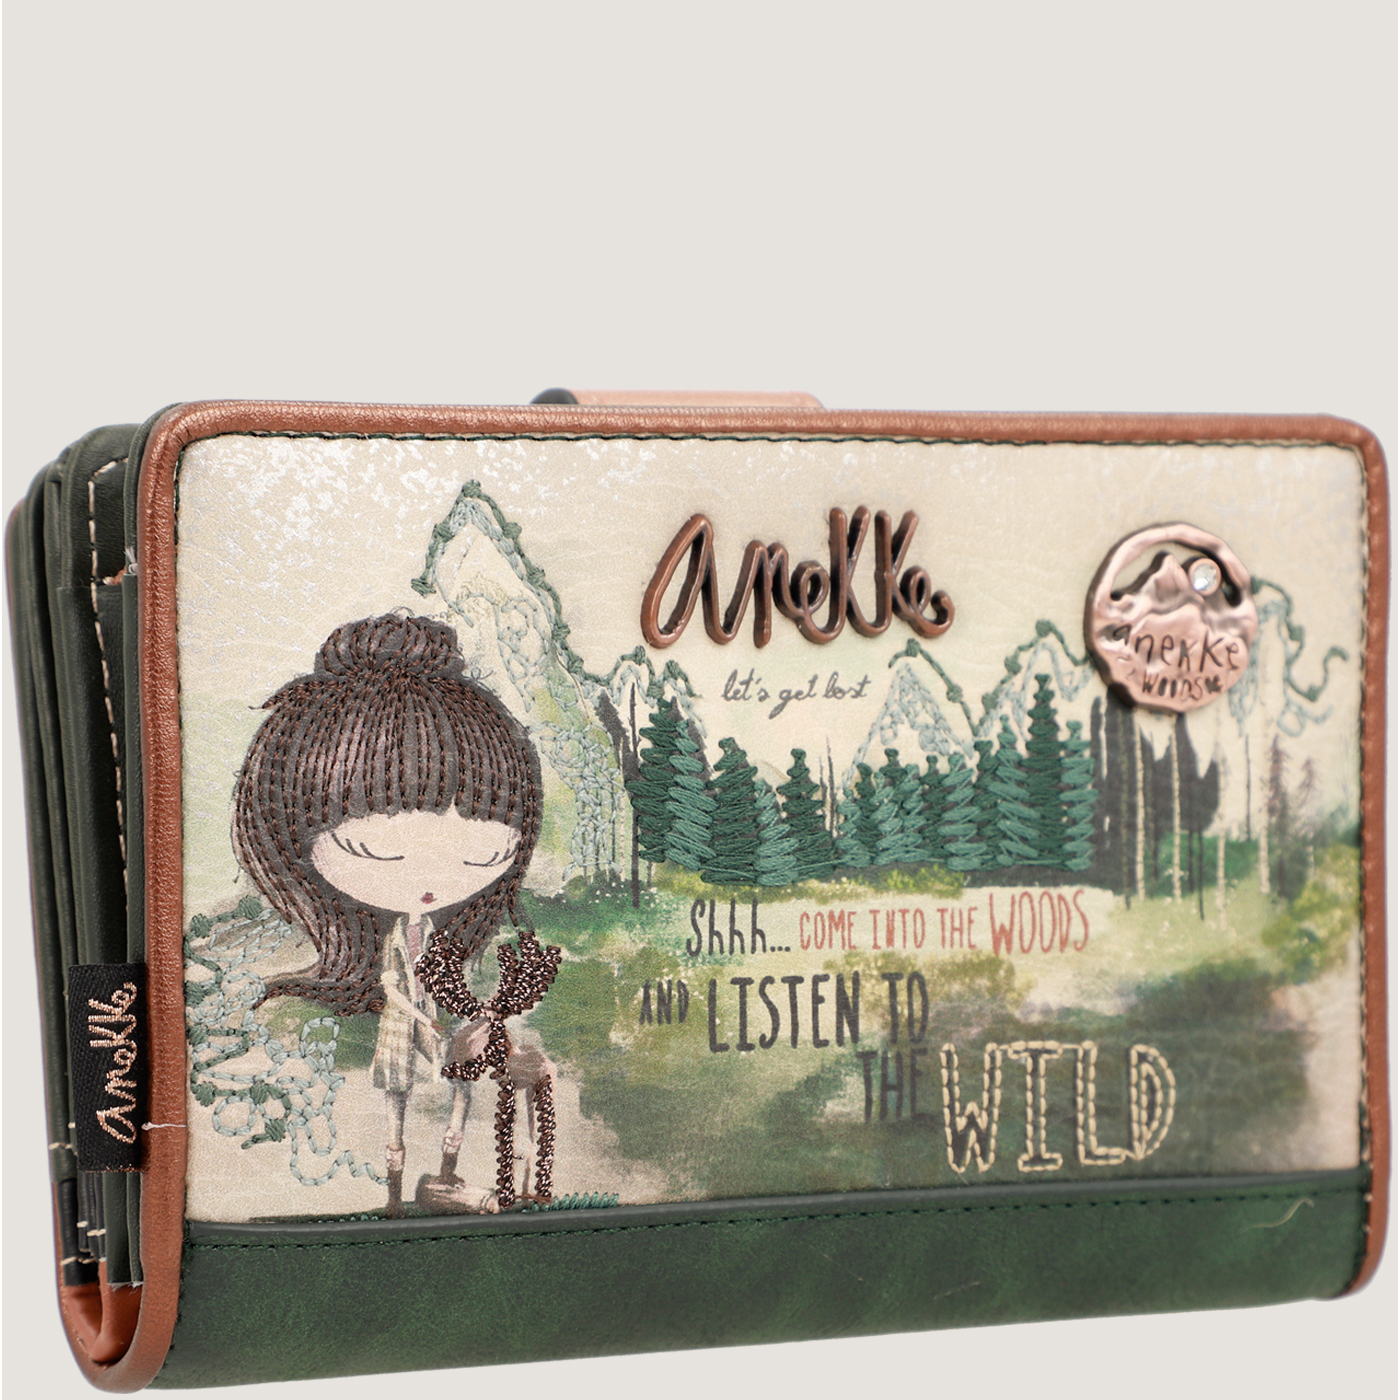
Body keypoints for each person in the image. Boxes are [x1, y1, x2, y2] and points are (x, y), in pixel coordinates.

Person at [231, 611, 559, 1215]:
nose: (431, 881)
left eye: (483, 854)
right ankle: (393, 1194)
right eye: (374, 850)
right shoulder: (385, 951)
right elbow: (393, 985)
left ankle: (445, 1180)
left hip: (435, 1026)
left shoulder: (440, 935)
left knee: (464, 1082)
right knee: (399, 1101)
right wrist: (424, 1018)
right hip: (402, 1032)